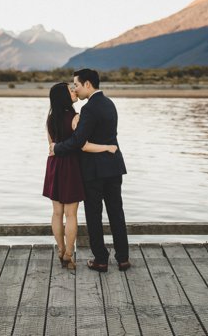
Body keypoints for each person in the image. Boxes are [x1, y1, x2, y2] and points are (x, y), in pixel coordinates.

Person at [50, 68, 130, 272]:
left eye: (76, 84)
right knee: (116, 213)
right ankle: (123, 258)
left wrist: (56, 148)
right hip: (114, 166)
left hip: (94, 170)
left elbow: (78, 141)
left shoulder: (89, 109)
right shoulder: (110, 104)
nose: (75, 88)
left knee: (94, 215)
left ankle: (101, 260)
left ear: (87, 84)